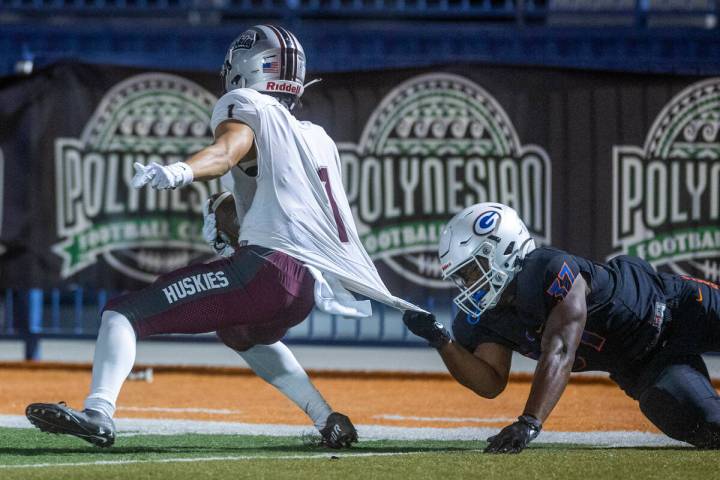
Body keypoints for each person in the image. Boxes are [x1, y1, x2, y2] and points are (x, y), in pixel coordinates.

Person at [26, 24, 423, 448]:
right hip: (305, 286)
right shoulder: (316, 138)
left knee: (122, 313)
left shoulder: (245, 103)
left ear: (248, 69)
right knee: (238, 332)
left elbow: (227, 151)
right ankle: (328, 419)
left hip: (267, 273)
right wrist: (237, 217)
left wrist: (181, 170)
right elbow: (289, 204)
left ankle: (99, 412)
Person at [403, 202, 720, 453]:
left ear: (502, 250)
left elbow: (561, 348)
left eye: (473, 271)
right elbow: (491, 382)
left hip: (681, 308)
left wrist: (530, 422)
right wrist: (441, 340)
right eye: (464, 277)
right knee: (710, 428)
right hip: (644, 365)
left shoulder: (548, 269)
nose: (470, 284)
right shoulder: (490, 314)